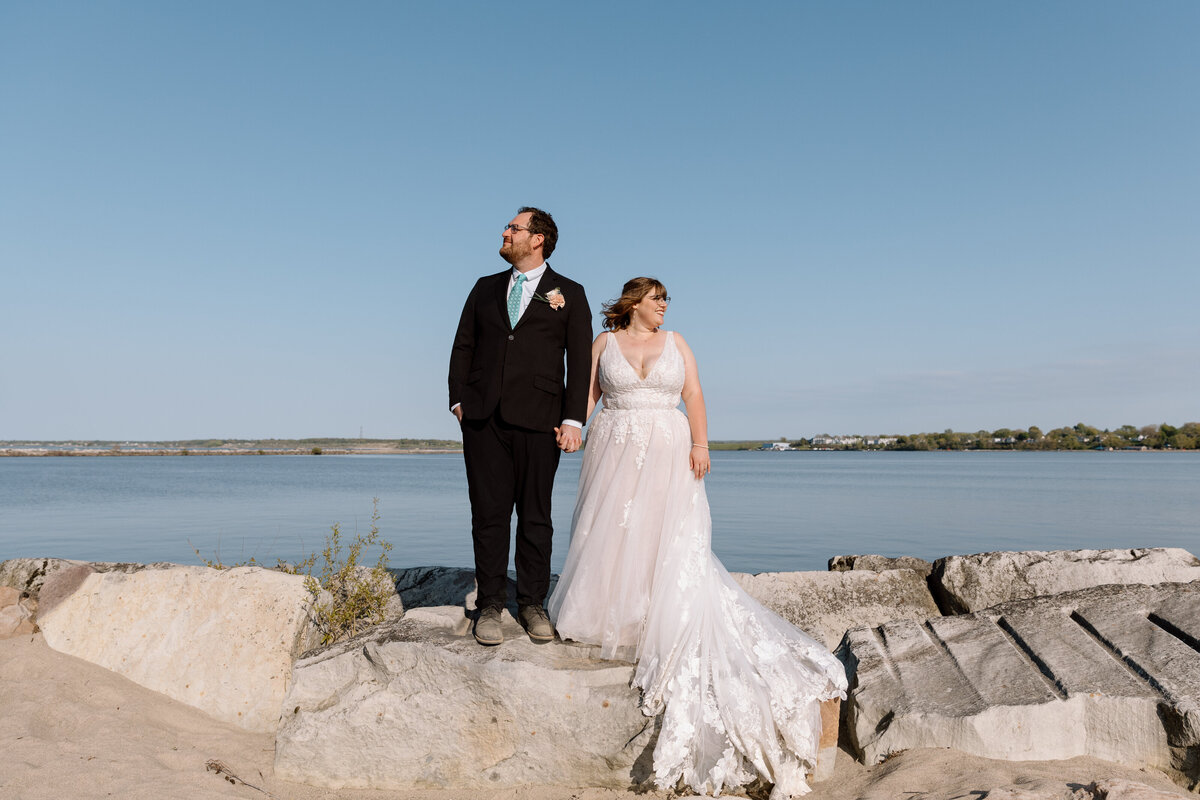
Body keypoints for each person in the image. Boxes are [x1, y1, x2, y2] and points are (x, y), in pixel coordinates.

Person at [547, 278, 847, 798]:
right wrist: (571, 426)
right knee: (615, 530)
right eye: (656, 298)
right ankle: (612, 608)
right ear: (633, 303)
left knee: (666, 532)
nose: (663, 306)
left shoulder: (678, 343)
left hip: (669, 446)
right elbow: (589, 395)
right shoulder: (605, 343)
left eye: (666, 300)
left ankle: (659, 607)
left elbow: (694, 394)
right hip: (614, 445)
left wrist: (703, 443)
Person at [448, 207, 593, 647]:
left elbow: (580, 360)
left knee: (535, 516)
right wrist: (458, 400)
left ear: (538, 240)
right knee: (488, 514)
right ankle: (490, 604)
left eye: (514, 227)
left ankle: (532, 603)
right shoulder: (484, 287)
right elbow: (463, 344)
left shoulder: (569, 292)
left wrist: (573, 419)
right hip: (482, 419)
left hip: (541, 420)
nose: (505, 232)